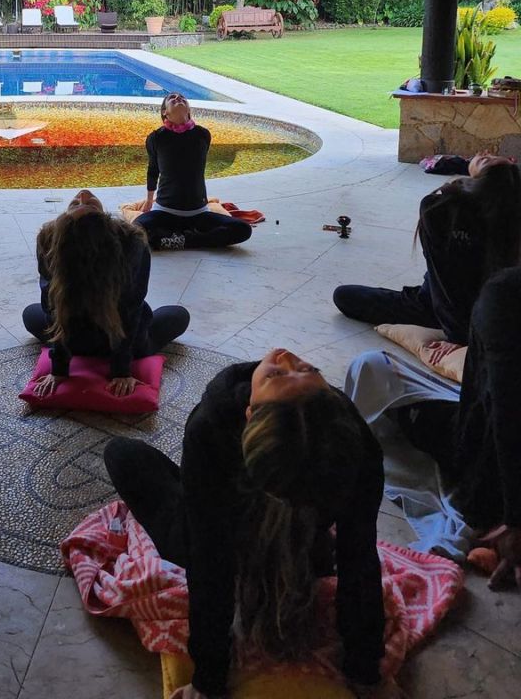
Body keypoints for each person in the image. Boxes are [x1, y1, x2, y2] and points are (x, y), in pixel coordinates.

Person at [104, 348, 385, 698]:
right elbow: (210, 564)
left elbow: (358, 556)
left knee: (142, 473)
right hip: (230, 521)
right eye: (302, 369)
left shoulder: (353, 445)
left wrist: (365, 670)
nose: (284, 356)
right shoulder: (211, 425)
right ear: (248, 416)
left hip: (299, 545)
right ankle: (199, 495)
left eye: (302, 370)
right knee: (124, 455)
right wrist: (209, 678)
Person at [347, 266, 521, 591]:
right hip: (487, 455)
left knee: (371, 367)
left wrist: (514, 519)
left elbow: (505, 414)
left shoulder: (507, 294)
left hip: (483, 472)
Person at [334, 153, 521, 344]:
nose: (484, 154)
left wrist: (456, 332)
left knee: (344, 295)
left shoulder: (441, 210)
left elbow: (445, 286)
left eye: (488, 159)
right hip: (491, 312)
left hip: (440, 310)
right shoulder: (509, 212)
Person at [22, 189, 190, 397]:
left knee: (31, 314)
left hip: (76, 343)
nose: (82, 194)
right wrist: (121, 370)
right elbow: (131, 309)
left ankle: (90, 352)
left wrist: (61, 368)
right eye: (79, 203)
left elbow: (52, 307)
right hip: (117, 342)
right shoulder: (132, 241)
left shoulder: (49, 239)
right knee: (178, 315)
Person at [132, 93, 252, 251]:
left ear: (188, 108)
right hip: (166, 212)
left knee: (243, 229)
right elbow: (153, 170)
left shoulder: (202, 135)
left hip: (199, 214)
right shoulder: (156, 138)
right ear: (164, 112)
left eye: (182, 98)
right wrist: (149, 201)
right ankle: (196, 239)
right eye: (172, 98)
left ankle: (183, 240)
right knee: (136, 231)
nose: (178, 98)